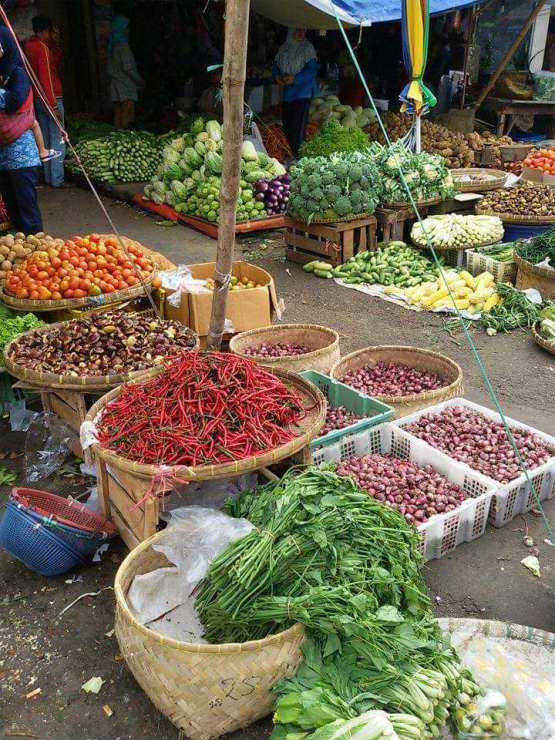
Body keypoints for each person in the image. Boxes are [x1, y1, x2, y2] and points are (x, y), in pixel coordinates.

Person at [0, 27, 43, 234]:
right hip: (3, 158)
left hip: (21, 157)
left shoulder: (17, 73)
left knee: (27, 208)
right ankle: (21, 250)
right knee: (12, 208)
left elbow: (15, 101)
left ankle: (37, 247)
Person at [25, 14, 66, 187]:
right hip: (50, 97)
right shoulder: (41, 47)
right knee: (58, 137)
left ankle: (49, 177)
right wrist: (54, 105)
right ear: (47, 30)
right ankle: (57, 179)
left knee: (46, 139)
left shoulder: (28, 45)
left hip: (37, 98)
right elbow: (46, 78)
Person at [273, 28, 318, 160]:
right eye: (296, 30)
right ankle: (294, 154)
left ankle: (300, 158)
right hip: (289, 92)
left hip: (303, 91)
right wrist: (276, 76)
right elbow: (276, 65)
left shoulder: (307, 47)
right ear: (290, 31)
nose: (300, 33)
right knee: (287, 123)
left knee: (298, 127)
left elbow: (312, 70)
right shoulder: (285, 47)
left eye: (302, 30)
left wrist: (295, 79)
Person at [107, 15, 144, 129]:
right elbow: (128, 68)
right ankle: (126, 137)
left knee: (118, 114)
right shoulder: (123, 46)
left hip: (115, 84)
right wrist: (139, 79)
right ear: (121, 28)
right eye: (126, 27)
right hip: (125, 85)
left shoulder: (113, 45)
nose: (128, 30)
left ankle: (118, 136)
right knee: (127, 116)